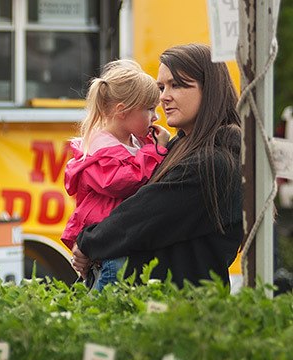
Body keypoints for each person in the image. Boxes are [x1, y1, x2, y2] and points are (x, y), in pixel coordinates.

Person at [72, 43, 243, 288]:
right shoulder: (182, 146)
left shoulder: (214, 161)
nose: (164, 97)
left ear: (210, 90)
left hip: (180, 312)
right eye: (162, 87)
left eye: (178, 85)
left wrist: (88, 242)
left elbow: (143, 216)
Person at [61, 59, 170, 290]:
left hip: (119, 243)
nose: (156, 117)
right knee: (106, 313)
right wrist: (156, 150)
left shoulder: (133, 143)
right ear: (122, 111)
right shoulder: (100, 150)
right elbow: (123, 182)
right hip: (111, 253)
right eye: (149, 109)